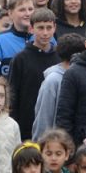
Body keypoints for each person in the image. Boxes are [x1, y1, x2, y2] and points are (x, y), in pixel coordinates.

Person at [8, 8, 59, 140]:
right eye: (40, 28)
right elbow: (12, 96)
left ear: (55, 28)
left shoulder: (59, 57)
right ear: (31, 29)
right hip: (27, 126)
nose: (45, 33)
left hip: (55, 125)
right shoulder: (20, 59)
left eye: (49, 28)